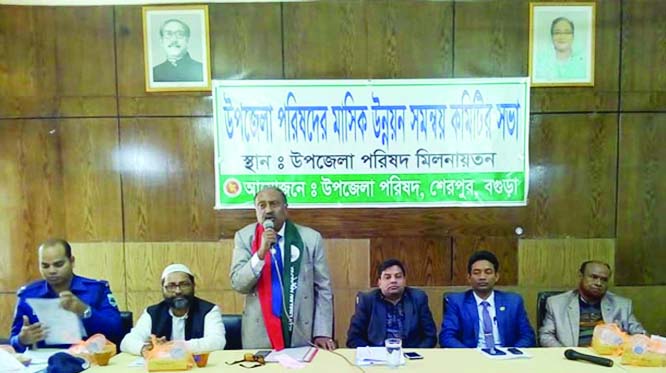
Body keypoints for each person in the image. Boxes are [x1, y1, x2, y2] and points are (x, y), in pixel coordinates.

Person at [230, 186, 335, 350]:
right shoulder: (244, 237)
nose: (268, 210)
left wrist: (322, 332)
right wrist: (260, 253)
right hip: (259, 332)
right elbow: (239, 284)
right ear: (256, 210)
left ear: (286, 209)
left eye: (274, 204)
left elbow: (323, 288)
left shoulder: (310, 238)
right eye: (262, 205)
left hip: (301, 329)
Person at [9, 239, 122, 352]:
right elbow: (12, 342)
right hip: (44, 363)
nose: (52, 271)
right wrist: (21, 340)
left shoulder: (96, 290)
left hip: (89, 359)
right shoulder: (28, 295)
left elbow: (118, 330)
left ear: (72, 261)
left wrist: (85, 311)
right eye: (45, 266)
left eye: (58, 265)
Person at [120, 264, 226, 355]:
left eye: (184, 285)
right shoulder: (152, 313)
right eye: (171, 286)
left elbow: (218, 341)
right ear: (163, 289)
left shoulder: (209, 310)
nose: (178, 291)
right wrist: (145, 348)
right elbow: (127, 342)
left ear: (193, 286)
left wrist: (173, 346)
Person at [440, 250, 535, 348]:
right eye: (477, 273)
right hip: (471, 356)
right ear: (469, 277)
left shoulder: (513, 302)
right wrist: (470, 356)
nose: (482, 277)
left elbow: (527, 336)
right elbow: (447, 337)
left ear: (496, 276)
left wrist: (512, 353)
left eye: (488, 272)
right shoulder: (456, 302)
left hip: (506, 356)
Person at [539, 261, 646, 347]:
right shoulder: (556, 303)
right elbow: (546, 336)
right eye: (593, 277)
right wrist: (565, 354)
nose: (598, 283)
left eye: (604, 280)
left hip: (609, 360)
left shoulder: (622, 305)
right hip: (572, 360)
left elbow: (640, 334)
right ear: (581, 276)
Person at [346, 259, 437, 348]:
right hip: (376, 357)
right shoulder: (367, 300)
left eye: (398, 276)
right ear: (379, 282)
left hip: (410, 356)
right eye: (387, 277)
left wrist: (414, 354)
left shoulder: (418, 298)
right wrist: (372, 355)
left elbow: (430, 337)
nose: (393, 281)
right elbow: (354, 338)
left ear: (404, 280)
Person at [534, 16, 587, 81]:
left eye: (567, 32)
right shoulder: (541, 65)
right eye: (557, 33)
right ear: (551, 36)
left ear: (573, 36)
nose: (562, 37)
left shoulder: (583, 64)